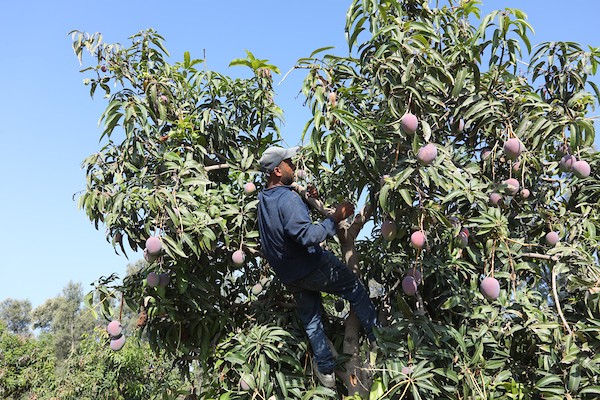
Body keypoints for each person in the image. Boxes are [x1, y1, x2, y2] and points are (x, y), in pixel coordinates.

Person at [257, 145, 378, 388]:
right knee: (354, 289)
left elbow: (285, 220)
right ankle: (380, 339)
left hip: (289, 274)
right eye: (289, 163)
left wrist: (307, 196)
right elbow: (306, 236)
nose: (293, 165)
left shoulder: (264, 199)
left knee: (312, 320)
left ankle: (326, 371)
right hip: (311, 265)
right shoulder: (287, 199)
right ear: (278, 171)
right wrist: (335, 217)